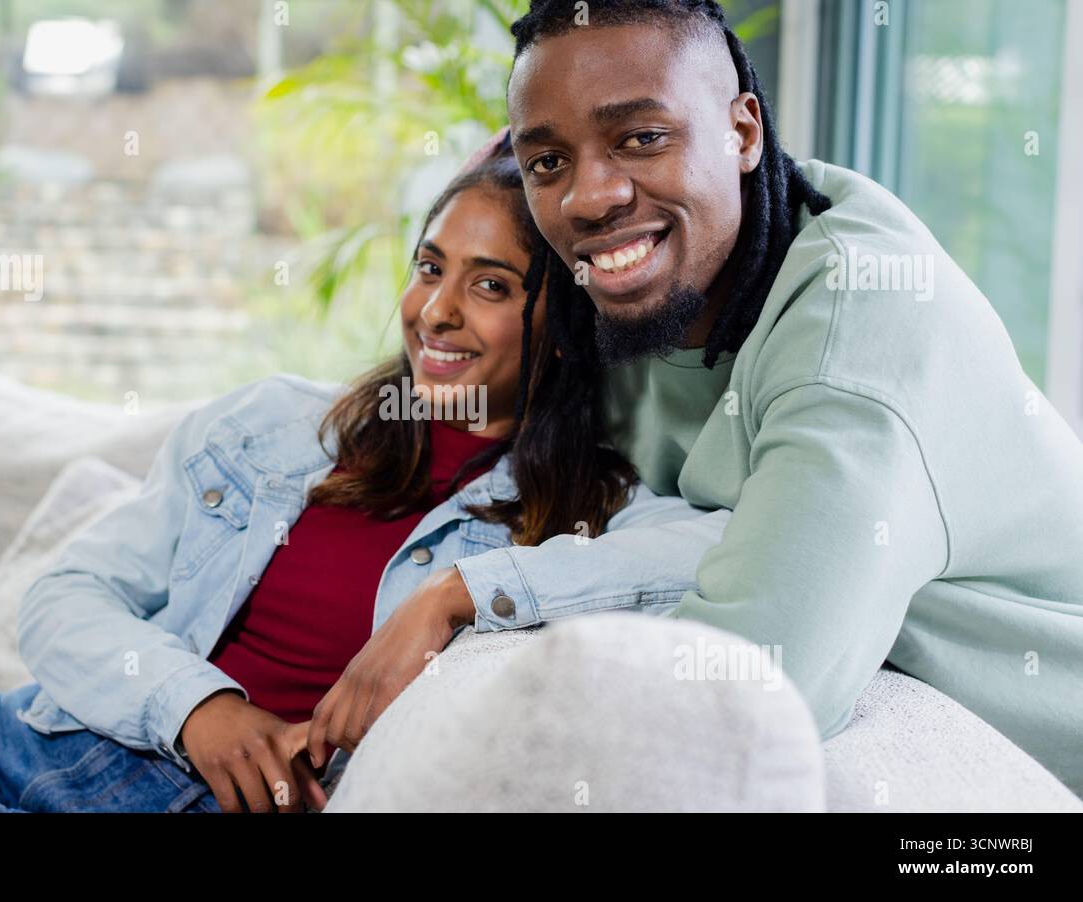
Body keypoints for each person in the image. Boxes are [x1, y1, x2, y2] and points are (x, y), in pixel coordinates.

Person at [0, 144, 722, 813]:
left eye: (489, 285)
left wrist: (458, 591)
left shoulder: (586, 509)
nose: (433, 312)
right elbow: (68, 594)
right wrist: (198, 706)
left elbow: (712, 550)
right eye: (429, 267)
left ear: (560, 323)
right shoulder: (274, 424)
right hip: (33, 740)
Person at [385, 0, 1083, 797]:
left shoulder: (856, 334)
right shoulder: (620, 278)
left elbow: (741, 690)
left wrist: (478, 600)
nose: (591, 196)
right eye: (549, 163)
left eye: (642, 138)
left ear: (743, 131)